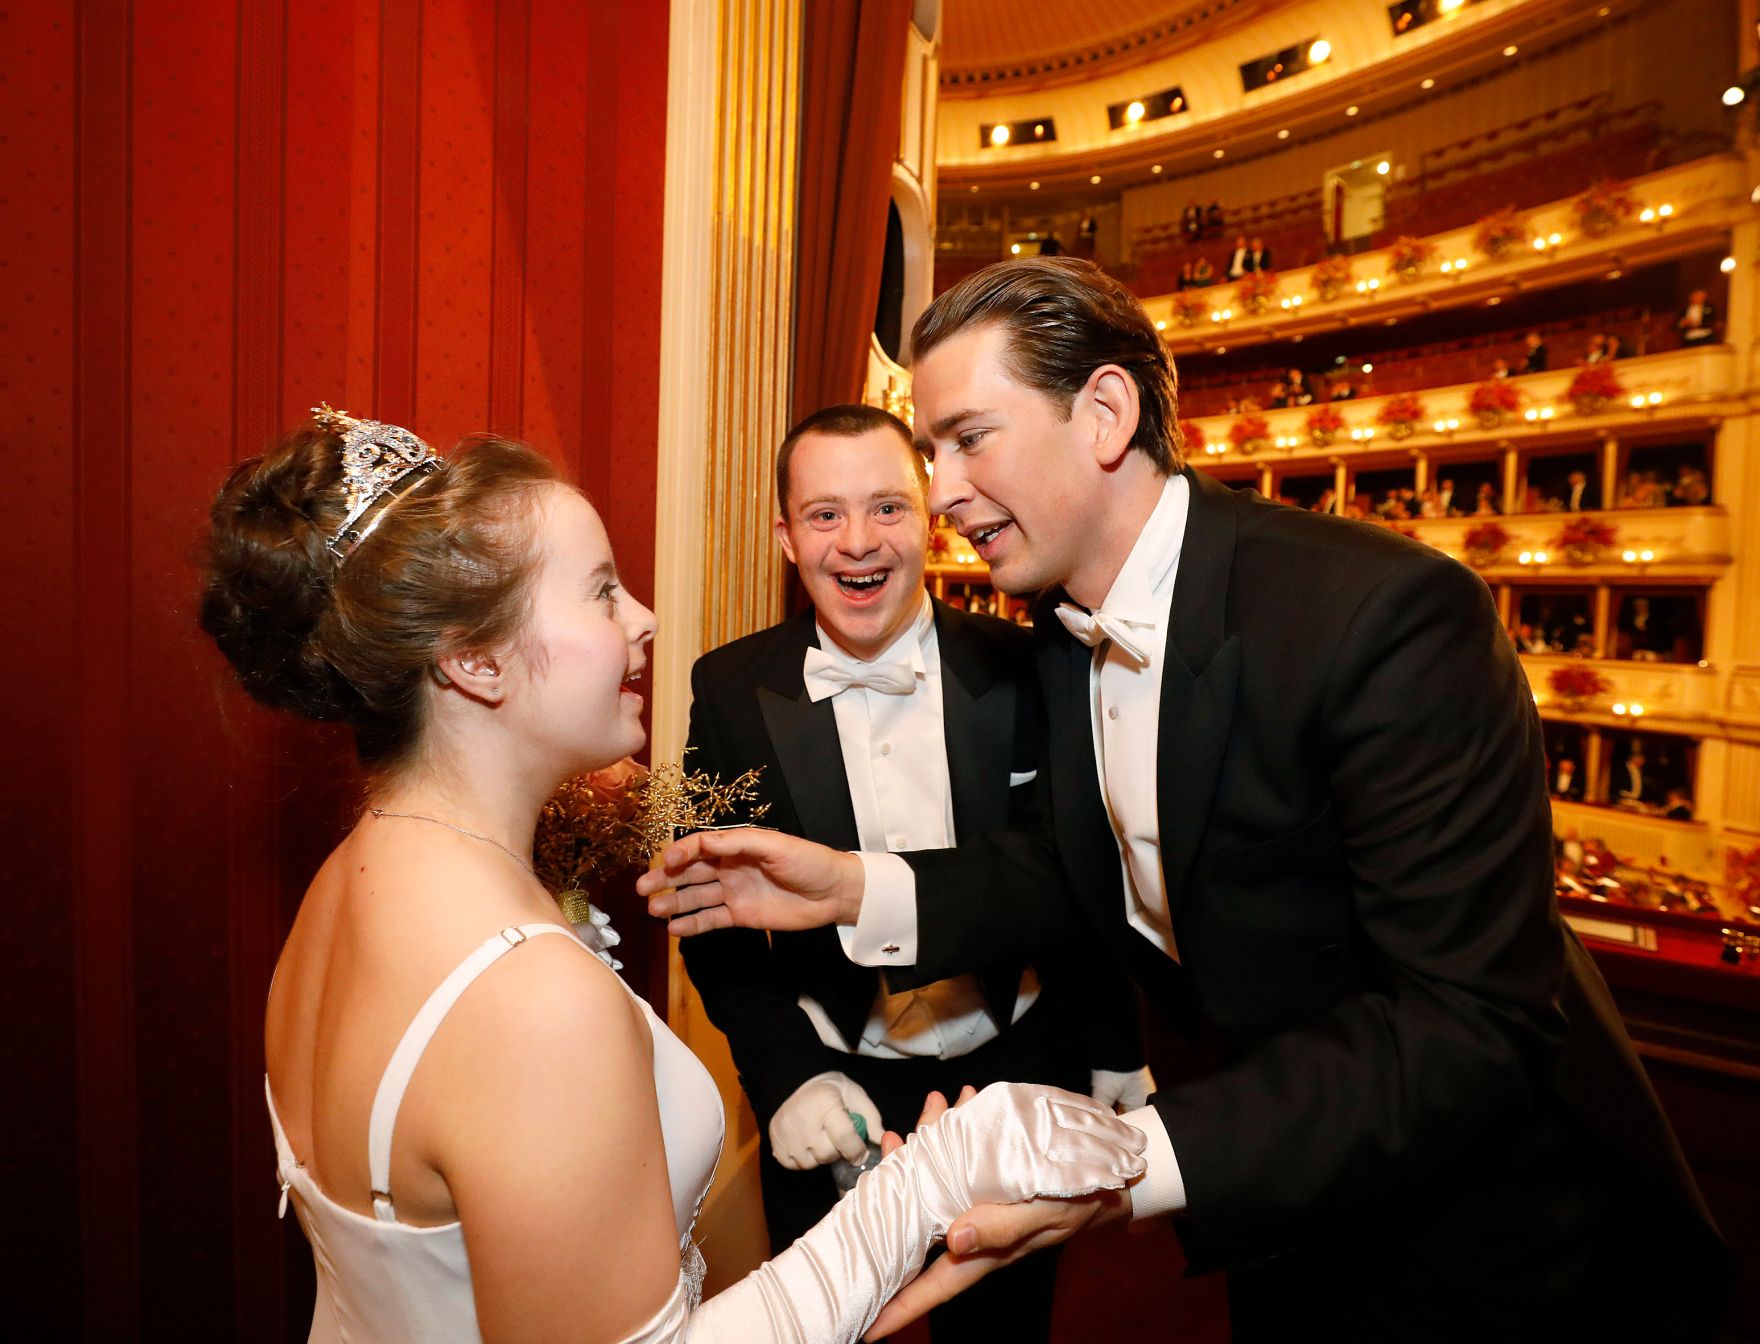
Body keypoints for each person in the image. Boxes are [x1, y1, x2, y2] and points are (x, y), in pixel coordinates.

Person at [643, 257, 1728, 1341]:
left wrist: (1123, 1161)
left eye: (966, 440)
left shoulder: (1380, 615)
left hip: (1482, 1232)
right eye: (933, 452)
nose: (938, 495)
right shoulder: (1066, 641)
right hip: (1279, 1196)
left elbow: (1468, 1026)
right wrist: (847, 888)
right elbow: (1069, 873)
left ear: (1104, 412)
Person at [201, 407, 1147, 1344]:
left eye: (888, 508)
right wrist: (930, 1186)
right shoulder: (530, 998)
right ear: (475, 660)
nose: (645, 617)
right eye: (603, 590)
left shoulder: (341, 884)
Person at [676, 404, 1148, 1343]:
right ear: (785, 535)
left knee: (1004, 1330)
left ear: (930, 516)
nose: (859, 542)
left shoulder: (1030, 665)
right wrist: (784, 1074)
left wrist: (1114, 1042)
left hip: (1013, 1074)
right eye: (824, 515)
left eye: (888, 508)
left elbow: (1073, 875)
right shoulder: (729, 690)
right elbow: (710, 912)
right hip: (834, 1085)